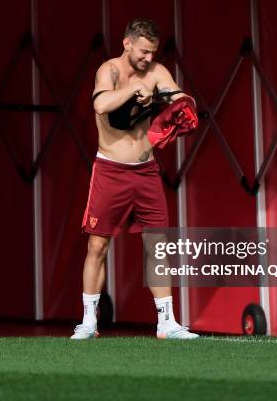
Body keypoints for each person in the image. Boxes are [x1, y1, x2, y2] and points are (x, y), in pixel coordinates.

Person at [71, 18, 199, 340]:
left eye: (152, 52)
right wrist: (132, 89)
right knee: (97, 244)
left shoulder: (156, 71)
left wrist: (184, 107)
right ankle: (88, 322)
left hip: (146, 170)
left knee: (157, 244)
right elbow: (100, 103)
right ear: (127, 43)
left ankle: (167, 323)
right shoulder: (110, 70)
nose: (148, 58)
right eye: (143, 51)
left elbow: (178, 96)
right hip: (110, 170)